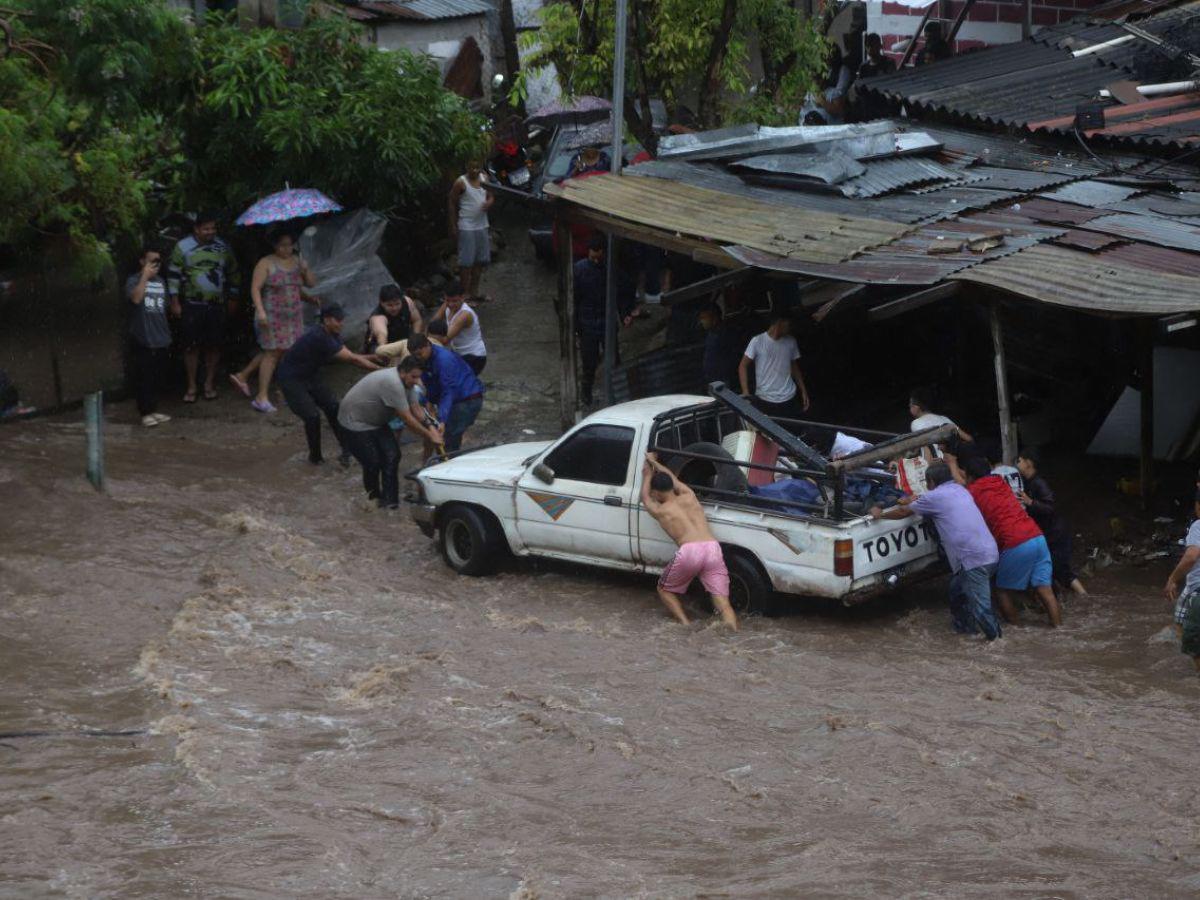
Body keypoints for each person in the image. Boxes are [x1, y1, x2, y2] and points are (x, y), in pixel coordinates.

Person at [871, 460, 1002, 640]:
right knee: (957, 593)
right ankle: (966, 634)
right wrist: (914, 500)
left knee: (981, 608)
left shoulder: (934, 498)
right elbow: (928, 501)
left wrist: (880, 515)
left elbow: (903, 512)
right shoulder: (959, 489)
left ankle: (995, 643)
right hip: (989, 553)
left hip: (972, 559)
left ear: (931, 482)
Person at [961, 455, 1062, 627]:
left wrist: (950, 464)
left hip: (1016, 542)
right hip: (1037, 537)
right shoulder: (1000, 481)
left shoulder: (974, 491)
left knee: (1001, 591)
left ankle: (1016, 631)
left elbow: (961, 489)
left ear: (970, 477)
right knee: (1046, 592)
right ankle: (1059, 628)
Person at [641, 453, 738, 630]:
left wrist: (647, 475)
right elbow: (673, 479)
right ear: (672, 485)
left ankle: (685, 626)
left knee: (664, 590)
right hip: (712, 548)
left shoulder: (661, 510)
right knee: (723, 603)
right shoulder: (689, 495)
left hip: (690, 551)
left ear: (656, 492)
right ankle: (732, 632)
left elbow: (645, 499)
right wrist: (655, 462)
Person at [276, 304, 379, 465]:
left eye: (342, 319)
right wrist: (382, 369)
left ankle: (347, 451)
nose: (342, 323)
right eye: (338, 320)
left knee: (333, 407)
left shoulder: (332, 334)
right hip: (292, 379)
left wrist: (376, 357)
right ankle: (315, 458)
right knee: (312, 416)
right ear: (327, 320)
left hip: (310, 375)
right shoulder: (319, 336)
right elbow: (353, 360)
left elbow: (352, 355)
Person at [338, 357, 445, 509]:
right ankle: (373, 498)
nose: (417, 381)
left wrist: (430, 426)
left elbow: (416, 409)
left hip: (376, 421)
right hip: (355, 422)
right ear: (402, 372)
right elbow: (407, 419)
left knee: (393, 455)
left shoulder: (409, 385)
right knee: (372, 462)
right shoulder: (393, 383)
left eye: (419, 377)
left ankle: (390, 502)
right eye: (413, 377)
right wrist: (429, 436)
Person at [230, 230, 318, 413]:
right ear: (274, 245)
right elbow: (255, 289)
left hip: (293, 316)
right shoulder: (266, 263)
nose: (286, 249)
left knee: (287, 353)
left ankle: (281, 390)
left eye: (289, 245)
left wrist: (306, 271)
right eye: (282, 245)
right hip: (272, 316)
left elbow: (307, 285)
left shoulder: (297, 262)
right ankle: (261, 396)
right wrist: (261, 311)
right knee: (272, 353)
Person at [167, 210, 240, 403]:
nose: (210, 232)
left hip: (216, 305)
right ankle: (191, 385)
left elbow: (233, 273)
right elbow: (173, 275)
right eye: (206, 228)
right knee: (191, 346)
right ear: (196, 229)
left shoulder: (222, 246)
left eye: (213, 228)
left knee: (213, 345)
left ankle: (209, 383)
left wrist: (233, 298)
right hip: (192, 304)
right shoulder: (182, 247)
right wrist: (174, 301)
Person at [1017, 449, 1087, 596]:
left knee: (1061, 570)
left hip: (1056, 534)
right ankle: (1062, 599)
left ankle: (1085, 597)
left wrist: (1031, 502)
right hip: (1047, 534)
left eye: (1019, 460)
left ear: (1029, 463)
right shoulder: (1028, 482)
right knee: (1051, 570)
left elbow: (1050, 507)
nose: (1017, 464)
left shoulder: (1038, 483)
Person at [574, 235, 635, 406]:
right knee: (589, 363)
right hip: (588, 323)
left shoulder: (610, 269)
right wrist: (576, 328)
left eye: (597, 257)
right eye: (592, 256)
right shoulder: (579, 270)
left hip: (605, 321)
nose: (594, 260)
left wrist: (625, 314)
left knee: (614, 361)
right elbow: (574, 300)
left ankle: (618, 395)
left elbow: (622, 292)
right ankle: (586, 396)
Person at [407, 334, 484, 454]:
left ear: (428, 345)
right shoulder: (426, 359)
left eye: (419, 354)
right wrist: (429, 402)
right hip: (456, 400)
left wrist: (442, 419)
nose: (418, 358)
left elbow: (448, 391)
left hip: (466, 400)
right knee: (442, 438)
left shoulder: (444, 360)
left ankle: (448, 465)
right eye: (415, 355)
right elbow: (430, 384)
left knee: (448, 441)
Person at [126, 245, 174, 428]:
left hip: (161, 335)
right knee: (143, 375)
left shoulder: (161, 281)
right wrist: (144, 277)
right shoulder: (133, 280)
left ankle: (153, 409)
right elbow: (136, 299)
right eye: (151, 261)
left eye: (158, 261)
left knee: (156, 375)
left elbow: (165, 308)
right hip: (142, 336)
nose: (155, 265)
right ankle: (144, 411)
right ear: (142, 262)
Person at [738, 312, 810, 418]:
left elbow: (794, 367)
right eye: (789, 324)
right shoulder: (757, 341)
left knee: (792, 431)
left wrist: (803, 390)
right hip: (765, 398)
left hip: (789, 397)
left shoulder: (791, 341)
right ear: (780, 323)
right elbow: (743, 366)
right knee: (768, 433)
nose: (790, 328)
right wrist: (746, 393)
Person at [1164, 490, 1200, 673]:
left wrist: (1172, 578)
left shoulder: (1198, 525)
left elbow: (1191, 556)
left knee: (1193, 644)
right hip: (1192, 589)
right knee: (1180, 624)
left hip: (1197, 591)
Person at [447, 160, 494, 303]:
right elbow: (451, 202)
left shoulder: (484, 178)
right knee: (466, 263)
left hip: (482, 225)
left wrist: (489, 202)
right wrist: (453, 225)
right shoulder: (460, 183)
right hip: (466, 225)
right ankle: (465, 295)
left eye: (477, 167)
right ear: (466, 168)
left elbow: (491, 195)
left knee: (480, 261)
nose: (474, 170)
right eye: (471, 167)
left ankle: (475, 292)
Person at [434, 282, 487, 375]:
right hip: (457, 353)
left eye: (455, 301)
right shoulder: (446, 305)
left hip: (474, 355)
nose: (450, 304)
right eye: (447, 300)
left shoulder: (464, 315)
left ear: (463, 297)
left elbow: (445, 339)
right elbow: (432, 323)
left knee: (460, 384)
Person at [363, 284, 424, 355]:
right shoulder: (378, 318)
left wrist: (415, 339)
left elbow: (417, 321)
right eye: (390, 305)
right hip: (379, 346)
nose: (394, 308)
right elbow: (382, 341)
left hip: (403, 337)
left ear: (401, 299)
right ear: (382, 303)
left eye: (397, 304)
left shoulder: (407, 302)